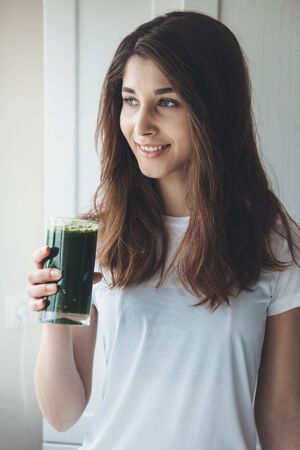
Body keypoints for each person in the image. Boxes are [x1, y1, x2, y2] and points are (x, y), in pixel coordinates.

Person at [27, 10, 300, 450]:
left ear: (215, 108)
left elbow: (283, 417)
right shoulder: (97, 235)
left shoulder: (274, 242)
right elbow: (62, 414)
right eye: (130, 100)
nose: (141, 125)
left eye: (167, 101)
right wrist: (52, 318)